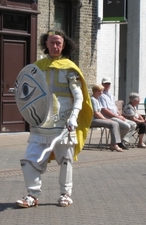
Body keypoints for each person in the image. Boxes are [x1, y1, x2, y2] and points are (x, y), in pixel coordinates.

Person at [15, 29, 93, 208]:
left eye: (58, 43)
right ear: (46, 44)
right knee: (30, 159)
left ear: (64, 45)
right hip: (41, 123)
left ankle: (65, 194)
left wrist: (74, 117)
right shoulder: (37, 67)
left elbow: (79, 96)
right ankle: (32, 195)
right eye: (52, 42)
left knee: (66, 160)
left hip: (64, 123)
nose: (55, 46)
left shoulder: (69, 68)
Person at [98, 78, 137, 150]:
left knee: (133, 124)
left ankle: (122, 141)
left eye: (108, 83)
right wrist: (117, 117)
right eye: (105, 83)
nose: (107, 85)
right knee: (126, 126)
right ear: (102, 84)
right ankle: (115, 142)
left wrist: (120, 115)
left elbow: (114, 108)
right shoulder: (101, 95)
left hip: (116, 116)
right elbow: (104, 110)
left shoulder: (111, 95)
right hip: (109, 117)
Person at [91, 84, 123, 152]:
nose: (102, 93)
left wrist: (104, 118)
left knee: (115, 123)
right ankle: (114, 145)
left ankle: (114, 143)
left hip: (98, 119)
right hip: (93, 120)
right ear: (96, 91)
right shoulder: (93, 99)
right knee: (113, 124)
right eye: (101, 91)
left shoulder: (96, 99)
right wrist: (105, 119)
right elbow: (96, 113)